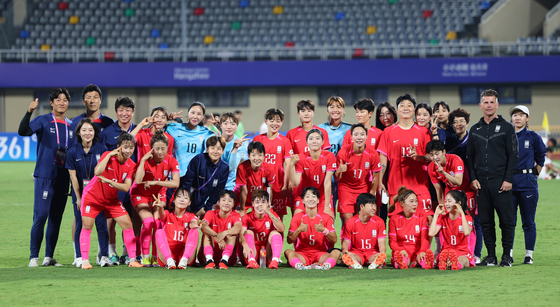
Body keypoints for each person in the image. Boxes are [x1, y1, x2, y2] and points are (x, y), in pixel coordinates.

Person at [18, 88, 77, 267]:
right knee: (41, 215)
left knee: (56, 218)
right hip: (45, 175)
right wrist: (29, 112)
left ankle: (48, 257)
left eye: (65, 99)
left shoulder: (71, 125)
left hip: (62, 177)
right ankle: (33, 256)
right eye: (58, 99)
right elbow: (24, 131)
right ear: (51, 103)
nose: (62, 102)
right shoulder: (43, 120)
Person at [467, 89, 519, 267]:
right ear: (480, 105)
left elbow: (513, 156)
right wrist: (473, 178)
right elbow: (470, 158)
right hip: (481, 183)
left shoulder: (507, 127)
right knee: (486, 221)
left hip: (501, 182)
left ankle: (506, 256)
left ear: (497, 104)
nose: (489, 106)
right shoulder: (475, 130)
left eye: (492, 102)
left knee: (506, 221)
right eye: (485, 102)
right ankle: (490, 256)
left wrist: (508, 179)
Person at [79, 133, 143, 268]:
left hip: (111, 200)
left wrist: (109, 181)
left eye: (131, 148)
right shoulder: (107, 155)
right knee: (87, 226)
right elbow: (97, 172)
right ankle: (85, 261)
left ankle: (132, 260)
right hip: (92, 197)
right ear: (118, 147)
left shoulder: (131, 165)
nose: (129, 151)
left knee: (127, 224)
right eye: (125, 147)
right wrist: (108, 155)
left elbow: (126, 187)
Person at [130, 131, 180, 267]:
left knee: (158, 224)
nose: (160, 151)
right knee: (148, 222)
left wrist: (156, 183)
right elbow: (138, 180)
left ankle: (155, 258)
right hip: (140, 193)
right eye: (157, 148)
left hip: (158, 193)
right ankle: (144, 258)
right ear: (152, 148)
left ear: (167, 148)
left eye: (163, 148)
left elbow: (176, 183)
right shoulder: (145, 160)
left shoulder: (171, 160)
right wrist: (143, 160)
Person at [378, 94, 432, 217]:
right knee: (397, 228)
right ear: (397, 111)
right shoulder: (388, 132)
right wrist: (380, 180)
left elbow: (430, 157)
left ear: (414, 110)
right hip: (396, 189)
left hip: (420, 188)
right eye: (402, 106)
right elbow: (383, 158)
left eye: (409, 105)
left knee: (424, 225)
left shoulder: (423, 131)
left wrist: (418, 157)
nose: (405, 108)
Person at [99, 96, 138, 265]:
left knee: (130, 218)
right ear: (116, 112)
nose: (124, 113)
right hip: (112, 184)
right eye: (121, 110)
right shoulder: (107, 132)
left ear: (132, 112)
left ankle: (126, 252)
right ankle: (110, 251)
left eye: (128, 110)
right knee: (110, 220)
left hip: (132, 182)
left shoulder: (138, 130)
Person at [66, 119, 109, 268]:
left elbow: (105, 174)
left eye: (90, 130)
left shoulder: (101, 149)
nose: (87, 133)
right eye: (84, 130)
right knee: (80, 224)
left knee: (101, 224)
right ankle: (78, 256)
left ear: (95, 132)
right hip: (81, 195)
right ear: (79, 132)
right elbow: (73, 177)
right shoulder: (72, 151)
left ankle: (103, 256)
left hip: (98, 195)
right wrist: (78, 198)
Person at [510, 105, 546, 264]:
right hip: (508, 184)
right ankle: (508, 254)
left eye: (521, 115)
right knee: (508, 222)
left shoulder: (533, 136)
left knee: (528, 221)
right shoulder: (506, 135)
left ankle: (528, 255)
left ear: (527, 118)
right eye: (515, 115)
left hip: (528, 184)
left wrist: (533, 176)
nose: (517, 118)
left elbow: (541, 158)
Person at [335, 124, 381, 226]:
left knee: (362, 221)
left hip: (364, 188)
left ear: (367, 136)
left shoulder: (372, 153)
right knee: (347, 221)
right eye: (356, 134)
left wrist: (371, 194)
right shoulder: (343, 153)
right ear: (351, 137)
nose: (359, 137)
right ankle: (347, 241)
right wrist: (339, 171)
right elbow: (336, 178)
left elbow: (376, 175)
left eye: (362, 134)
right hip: (346, 189)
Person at [285, 187, 340, 270]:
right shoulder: (297, 217)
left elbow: (334, 239)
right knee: (288, 252)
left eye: (313, 196)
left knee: (336, 252)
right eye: (307, 196)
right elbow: (289, 240)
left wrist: (324, 230)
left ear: (318, 200)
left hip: (320, 254)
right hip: (302, 254)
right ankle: (300, 266)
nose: (311, 199)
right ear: (303, 200)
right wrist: (299, 230)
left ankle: (326, 266)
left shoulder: (325, 217)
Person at [253, 109, 293, 219]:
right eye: (271, 120)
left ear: (282, 122)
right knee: (259, 216)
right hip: (260, 185)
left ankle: (278, 236)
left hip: (278, 186)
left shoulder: (285, 141)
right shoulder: (257, 139)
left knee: (278, 217)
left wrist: (286, 185)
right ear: (266, 121)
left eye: (278, 121)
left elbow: (288, 164)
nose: (275, 123)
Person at [290, 129, 336, 219]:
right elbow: (295, 183)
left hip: (322, 198)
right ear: (306, 142)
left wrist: (327, 207)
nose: (314, 141)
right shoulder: (301, 157)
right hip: (304, 197)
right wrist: (292, 165)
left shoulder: (329, 156)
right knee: (297, 219)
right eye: (311, 139)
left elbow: (327, 182)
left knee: (329, 220)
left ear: (323, 142)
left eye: (317, 138)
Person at [318, 96, 352, 213]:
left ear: (343, 110)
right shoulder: (319, 129)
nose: (335, 110)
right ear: (327, 109)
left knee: (346, 214)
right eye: (332, 107)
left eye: (339, 107)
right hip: (325, 178)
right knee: (327, 214)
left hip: (345, 179)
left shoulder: (350, 129)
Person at [181, 136, 229, 217]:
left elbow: (218, 190)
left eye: (218, 148)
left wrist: (208, 207)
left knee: (209, 219)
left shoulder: (224, 167)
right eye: (212, 148)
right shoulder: (199, 159)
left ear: (223, 151)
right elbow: (187, 181)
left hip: (200, 202)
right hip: (187, 195)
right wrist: (184, 200)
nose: (215, 151)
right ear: (207, 149)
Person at [153, 188, 200, 269]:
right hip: (167, 254)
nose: (182, 199)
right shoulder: (168, 214)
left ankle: (184, 260)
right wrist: (160, 207)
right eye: (179, 197)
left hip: (185, 254)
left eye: (185, 198)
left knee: (195, 231)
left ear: (189, 203)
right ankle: (169, 261)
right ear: (174, 200)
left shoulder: (191, 216)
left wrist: (194, 225)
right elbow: (161, 216)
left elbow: (193, 223)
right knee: (159, 232)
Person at [166, 101, 215, 178]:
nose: (195, 116)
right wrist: (166, 119)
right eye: (193, 113)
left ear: (203, 117)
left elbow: (221, 141)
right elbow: (154, 130)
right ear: (188, 113)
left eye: (199, 114)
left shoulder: (206, 132)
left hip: (194, 178)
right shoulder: (175, 128)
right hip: (174, 176)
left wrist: (218, 126)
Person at [428, 190, 475, 270]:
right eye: (445, 201)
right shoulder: (443, 218)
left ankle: (454, 264)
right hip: (446, 251)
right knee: (445, 257)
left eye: (449, 201)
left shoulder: (467, 218)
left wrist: (462, 213)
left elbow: (467, 232)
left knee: (462, 260)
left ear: (458, 203)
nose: (446, 204)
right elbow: (431, 233)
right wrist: (436, 215)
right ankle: (444, 263)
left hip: (462, 252)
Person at [239, 189, 285, 269]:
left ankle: (275, 261)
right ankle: (252, 261)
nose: (260, 205)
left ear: (267, 204)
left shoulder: (271, 215)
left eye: (263, 202)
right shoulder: (247, 217)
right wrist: (245, 245)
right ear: (252, 204)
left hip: (267, 253)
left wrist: (269, 212)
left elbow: (282, 228)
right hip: (252, 252)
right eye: (257, 202)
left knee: (275, 233)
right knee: (248, 232)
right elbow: (241, 234)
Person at [388, 187, 432, 269]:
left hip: (417, 251)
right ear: (402, 203)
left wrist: (422, 251)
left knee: (424, 262)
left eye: (416, 200)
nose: (415, 204)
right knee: (402, 261)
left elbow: (425, 238)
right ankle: (401, 261)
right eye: (411, 201)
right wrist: (399, 250)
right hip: (403, 251)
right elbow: (392, 242)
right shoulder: (394, 219)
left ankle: (421, 261)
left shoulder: (422, 217)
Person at [340, 193, 387, 269]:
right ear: (362, 206)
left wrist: (382, 253)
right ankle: (354, 262)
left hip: (372, 253)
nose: (374, 208)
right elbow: (345, 243)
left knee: (378, 256)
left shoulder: (379, 222)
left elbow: (382, 244)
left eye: (375, 205)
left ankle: (376, 262)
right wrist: (346, 252)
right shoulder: (351, 222)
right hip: (357, 253)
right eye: (371, 205)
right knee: (350, 256)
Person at [200, 190, 242, 269]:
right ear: (218, 202)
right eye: (223, 200)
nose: (226, 203)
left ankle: (224, 261)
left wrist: (225, 233)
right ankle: (209, 261)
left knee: (232, 235)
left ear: (233, 204)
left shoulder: (236, 215)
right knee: (207, 233)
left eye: (230, 201)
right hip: (207, 253)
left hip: (229, 258)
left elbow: (238, 228)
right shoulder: (210, 213)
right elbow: (203, 226)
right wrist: (217, 236)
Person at [236, 141, 276, 214]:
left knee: (271, 219)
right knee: (238, 219)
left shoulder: (269, 169)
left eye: (260, 155)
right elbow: (244, 191)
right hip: (245, 201)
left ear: (264, 156)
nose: (257, 158)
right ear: (248, 156)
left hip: (260, 201)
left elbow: (269, 189)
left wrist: (268, 205)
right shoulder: (242, 168)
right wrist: (242, 209)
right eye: (253, 155)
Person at [219, 112, 249, 192]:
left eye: (233, 124)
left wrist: (235, 148)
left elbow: (231, 167)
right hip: (211, 183)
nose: (229, 127)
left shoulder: (240, 144)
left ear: (237, 126)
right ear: (220, 125)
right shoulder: (213, 139)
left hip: (229, 184)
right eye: (226, 123)